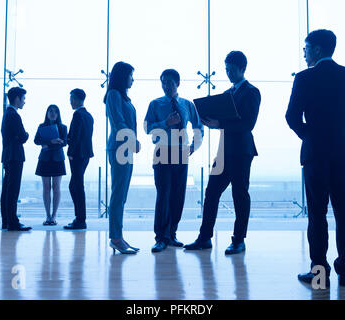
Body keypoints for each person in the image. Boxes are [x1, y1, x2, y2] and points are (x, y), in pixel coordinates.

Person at [286, 29, 345, 287]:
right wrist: (341, 129)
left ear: (318, 50)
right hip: (342, 152)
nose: (304, 52)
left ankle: (319, 274)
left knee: (317, 214)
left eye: (306, 47)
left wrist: (310, 136)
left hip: (315, 155)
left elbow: (291, 117)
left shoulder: (303, 78)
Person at [184, 51, 261, 254]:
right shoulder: (229, 92)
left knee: (239, 194)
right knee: (211, 193)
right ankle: (205, 237)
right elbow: (225, 120)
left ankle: (238, 240)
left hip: (242, 151)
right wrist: (212, 121)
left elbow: (248, 123)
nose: (228, 73)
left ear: (242, 69)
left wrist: (220, 123)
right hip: (225, 150)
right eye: (226, 69)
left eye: (232, 70)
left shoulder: (252, 92)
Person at [145, 69, 204, 253]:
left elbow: (198, 126)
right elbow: (147, 127)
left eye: (169, 82)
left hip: (181, 153)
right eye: (163, 82)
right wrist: (165, 123)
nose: (165, 86)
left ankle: (172, 234)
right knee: (164, 195)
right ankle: (160, 237)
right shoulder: (155, 104)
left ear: (177, 83)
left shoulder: (187, 104)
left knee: (178, 195)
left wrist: (194, 146)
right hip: (162, 152)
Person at [105, 61, 140, 254]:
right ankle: (115, 238)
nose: (132, 79)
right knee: (118, 194)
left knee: (122, 195)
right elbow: (117, 120)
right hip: (119, 147)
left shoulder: (124, 97)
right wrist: (132, 139)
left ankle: (119, 236)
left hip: (126, 148)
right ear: (122, 76)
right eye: (130, 75)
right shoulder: (113, 95)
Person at [0, 87, 32, 231]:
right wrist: (26, 134)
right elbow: (23, 136)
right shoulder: (14, 115)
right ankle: (13, 222)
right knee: (12, 190)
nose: (25, 102)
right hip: (15, 155)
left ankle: (7, 220)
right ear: (17, 98)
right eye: (23, 99)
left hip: (8, 154)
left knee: (7, 189)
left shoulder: (7, 114)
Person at [64, 89, 94, 230]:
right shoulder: (89, 115)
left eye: (71, 99)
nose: (70, 102)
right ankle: (79, 218)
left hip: (77, 154)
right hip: (86, 154)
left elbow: (75, 136)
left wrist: (69, 148)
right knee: (74, 185)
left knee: (77, 186)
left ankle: (80, 219)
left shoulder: (77, 115)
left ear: (75, 99)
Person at [34, 104, 67, 226]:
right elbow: (36, 140)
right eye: (50, 111)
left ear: (58, 114)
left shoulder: (63, 127)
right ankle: (47, 215)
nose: (52, 113)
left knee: (56, 187)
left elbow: (64, 142)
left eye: (55, 111)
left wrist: (49, 143)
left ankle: (54, 216)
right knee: (46, 188)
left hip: (58, 159)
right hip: (45, 159)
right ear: (47, 113)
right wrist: (51, 141)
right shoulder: (42, 126)